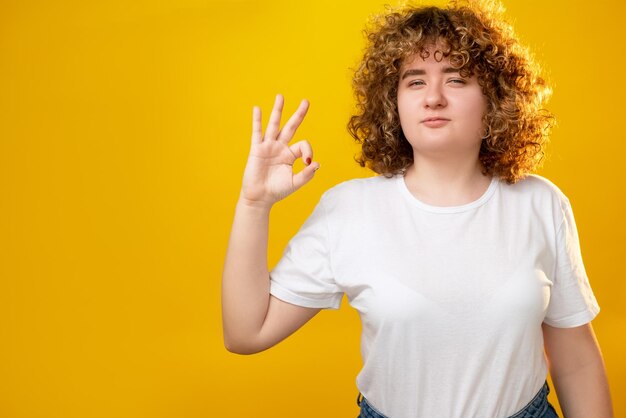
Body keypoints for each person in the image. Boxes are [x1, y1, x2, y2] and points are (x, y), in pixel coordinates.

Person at [221, 1, 613, 417]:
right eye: (414, 81)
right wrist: (254, 203)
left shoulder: (541, 203)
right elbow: (247, 332)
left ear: (495, 100)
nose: (434, 98)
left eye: (457, 79)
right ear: (393, 104)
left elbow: (576, 361)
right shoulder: (349, 210)